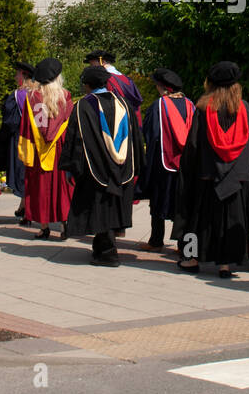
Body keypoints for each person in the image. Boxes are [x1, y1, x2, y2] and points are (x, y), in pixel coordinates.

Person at [175, 62, 249, 279]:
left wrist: (187, 173)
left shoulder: (204, 109)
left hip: (207, 176)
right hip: (237, 178)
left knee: (196, 220)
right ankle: (226, 264)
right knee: (232, 219)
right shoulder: (245, 109)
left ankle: (191, 258)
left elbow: (193, 148)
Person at [61, 64, 144, 266]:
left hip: (94, 170)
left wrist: (72, 168)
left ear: (88, 85)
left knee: (100, 208)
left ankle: (108, 253)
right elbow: (135, 138)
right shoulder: (124, 105)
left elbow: (75, 140)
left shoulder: (83, 106)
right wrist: (137, 166)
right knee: (111, 207)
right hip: (122, 167)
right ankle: (101, 247)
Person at [19, 58, 75, 240]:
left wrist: (25, 151)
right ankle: (64, 225)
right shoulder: (65, 96)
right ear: (58, 77)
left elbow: (26, 127)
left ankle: (44, 227)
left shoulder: (32, 97)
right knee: (61, 187)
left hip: (38, 150)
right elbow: (70, 124)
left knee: (41, 187)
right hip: (59, 148)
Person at [140, 68, 193, 251]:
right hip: (185, 164)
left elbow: (150, 133)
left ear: (163, 88)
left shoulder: (159, 105)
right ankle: (184, 247)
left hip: (163, 162)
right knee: (184, 204)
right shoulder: (190, 105)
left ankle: (156, 241)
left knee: (159, 201)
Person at [0, 62, 33, 221]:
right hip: (36, 140)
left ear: (24, 75)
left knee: (21, 173)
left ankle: (26, 208)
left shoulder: (18, 95)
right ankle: (24, 206)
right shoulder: (38, 93)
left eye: (17, 73)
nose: (15, 76)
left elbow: (10, 122)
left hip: (20, 138)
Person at [87, 50, 144, 126]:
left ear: (102, 62)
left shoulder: (107, 80)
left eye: (92, 64)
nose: (91, 68)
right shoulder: (126, 79)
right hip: (133, 122)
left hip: (118, 124)